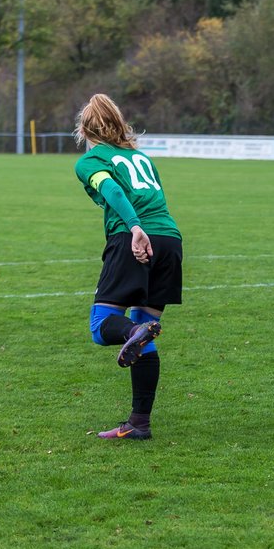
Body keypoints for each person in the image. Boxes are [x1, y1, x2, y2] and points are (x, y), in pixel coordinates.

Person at [74, 94, 184, 440]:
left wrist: (135, 227)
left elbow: (112, 191)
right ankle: (139, 423)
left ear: (84, 129)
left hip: (132, 237)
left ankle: (132, 334)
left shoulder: (92, 160)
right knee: (143, 326)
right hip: (170, 240)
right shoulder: (141, 157)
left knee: (100, 325)